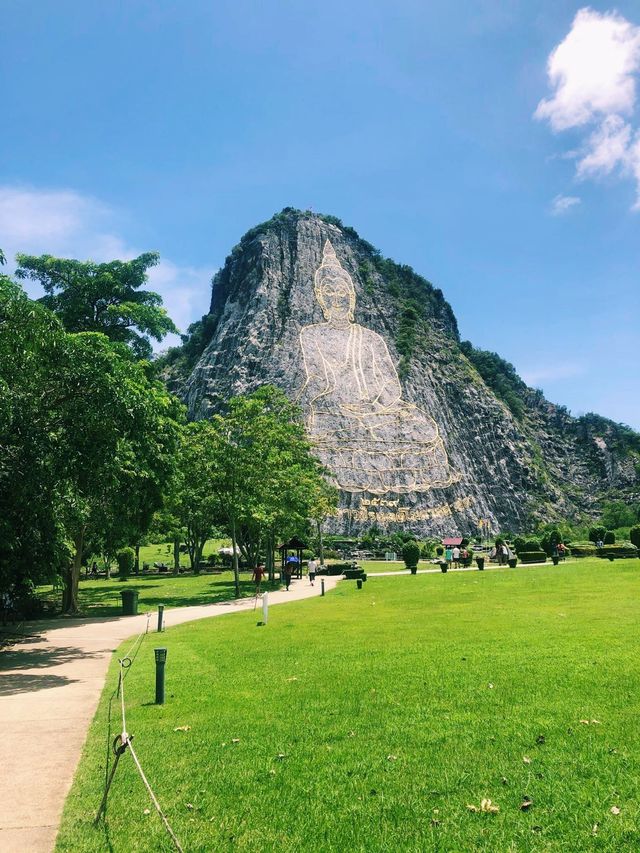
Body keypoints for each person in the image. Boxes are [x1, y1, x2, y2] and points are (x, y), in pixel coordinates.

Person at [298, 240, 452, 494]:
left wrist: (377, 405)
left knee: (420, 425)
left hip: (377, 413)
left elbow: (392, 385)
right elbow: (316, 379)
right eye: (329, 292)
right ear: (320, 297)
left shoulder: (371, 338)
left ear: (352, 294)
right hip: (337, 413)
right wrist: (301, 405)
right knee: (330, 430)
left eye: (342, 291)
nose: (337, 298)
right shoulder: (311, 335)